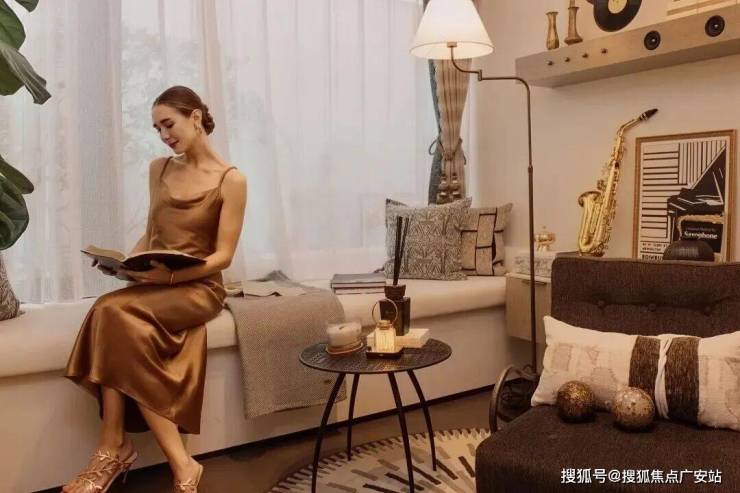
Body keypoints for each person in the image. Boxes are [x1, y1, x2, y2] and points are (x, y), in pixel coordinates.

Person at [62, 86, 247, 493]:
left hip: (199, 288)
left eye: (168, 124)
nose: (163, 135)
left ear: (195, 117)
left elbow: (223, 256)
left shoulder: (231, 180)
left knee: (112, 313)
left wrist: (172, 279)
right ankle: (175, 462)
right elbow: (151, 234)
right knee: (109, 309)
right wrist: (127, 265)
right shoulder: (159, 169)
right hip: (158, 284)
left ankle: (113, 449)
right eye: (157, 128)